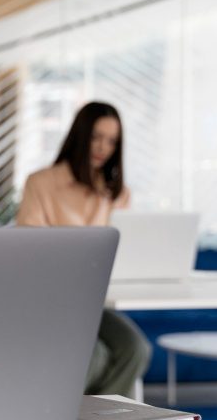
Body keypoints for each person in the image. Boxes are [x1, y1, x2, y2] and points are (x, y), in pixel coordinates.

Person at [15, 101, 151, 399]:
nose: (103, 147)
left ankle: (102, 419)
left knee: (136, 349)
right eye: (96, 137)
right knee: (96, 357)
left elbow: (127, 253)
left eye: (112, 141)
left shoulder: (117, 193)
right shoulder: (42, 183)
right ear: (80, 135)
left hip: (97, 300)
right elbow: (27, 253)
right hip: (52, 300)